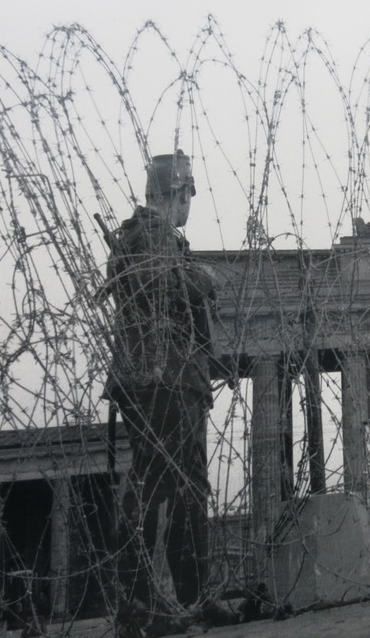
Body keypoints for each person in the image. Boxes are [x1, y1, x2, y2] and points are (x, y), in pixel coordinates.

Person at [103, 150, 229, 631]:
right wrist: (203, 279)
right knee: (171, 486)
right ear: (180, 193)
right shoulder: (150, 235)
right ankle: (159, 602)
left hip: (162, 377)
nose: (188, 206)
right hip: (163, 378)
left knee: (169, 486)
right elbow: (160, 282)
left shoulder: (144, 235)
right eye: (188, 196)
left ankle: (161, 601)